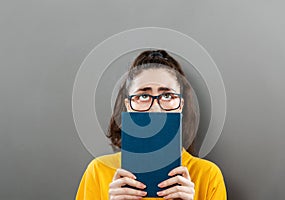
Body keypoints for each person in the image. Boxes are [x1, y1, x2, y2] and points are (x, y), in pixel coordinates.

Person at [76, 49, 227, 200]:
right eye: (143, 96)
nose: (156, 108)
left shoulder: (208, 176)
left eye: (167, 95)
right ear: (128, 105)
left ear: (180, 105)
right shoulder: (98, 171)